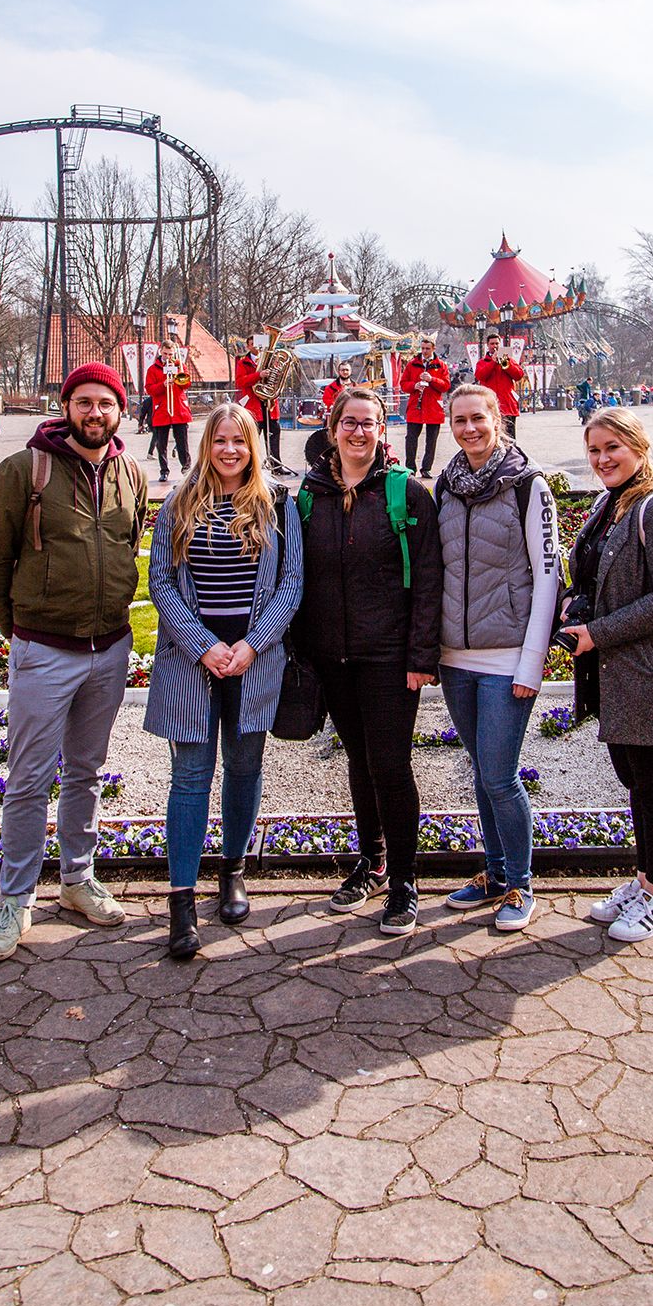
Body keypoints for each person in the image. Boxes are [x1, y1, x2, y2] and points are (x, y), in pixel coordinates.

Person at [0, 363, 149, 962]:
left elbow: (128, 547)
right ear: (66, 406)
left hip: (110, 647)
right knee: (27, 779)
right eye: (83, 402)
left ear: (119, 410)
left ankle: (76, 878)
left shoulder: (130, 472)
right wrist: (23, 629)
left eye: (105, 402)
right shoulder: (25, 470)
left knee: (86, 771)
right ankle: (14, 899)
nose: (94, 412)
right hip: (44, 649)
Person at [145, 403, 303, 958]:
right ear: (206, 445)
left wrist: (251, 645)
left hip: (252, 661)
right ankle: (182, 900)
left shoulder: (277, 504)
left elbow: (292, 583)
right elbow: (160, 580)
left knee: (242, 767)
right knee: (190, 777)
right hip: (193, 663)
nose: (230, 450)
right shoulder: (179, 505)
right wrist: (203, 645)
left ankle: (233, 869)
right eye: (219, 441)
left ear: (252, 445)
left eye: (239, 440)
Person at [294, 386, 442, 937]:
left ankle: (404, 878)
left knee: (390, 765)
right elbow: (294, 579)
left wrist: (421, 655)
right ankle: (373, 862)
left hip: (389, 655)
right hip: (331, 655)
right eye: (349, 422)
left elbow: (430, 580)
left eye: (370, 423)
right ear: (332, 430)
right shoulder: (309, 495)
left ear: (383, 430)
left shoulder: (406, 494)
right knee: (358, 760)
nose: (359, 432)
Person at [561, 407, 653, 943]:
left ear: (639, 449)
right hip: (623, 671)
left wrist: (598, 633)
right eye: (595, 451)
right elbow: (598, 576)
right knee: (636, 781)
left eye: (613, 449)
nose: (603, 460)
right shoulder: (610, 505)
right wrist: (574, 606)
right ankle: (644, 881)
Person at [436, 385, 561, 932]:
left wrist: (533, 658)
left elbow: (549, 573)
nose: (469, 429)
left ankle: (520, 885)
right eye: (459, 420)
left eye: (478, 419)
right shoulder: (446, 483)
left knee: (500, 775)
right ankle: (493, 871)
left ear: (498, 418)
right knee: (480, 772)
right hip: (454, 655)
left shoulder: (529, 485)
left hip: (508, 654)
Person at [235, 337, 293, 475]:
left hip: (269, 404)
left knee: (274, 434)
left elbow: (278, 378)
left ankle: (276, 466)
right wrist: (258, 375)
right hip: (253, 405)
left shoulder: (272, 360)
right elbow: (241, 381)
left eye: (259, 344)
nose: (257, 347)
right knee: (252, 438)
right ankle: (249, 467)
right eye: (252, 344)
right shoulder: (244, 362)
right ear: (248, 347)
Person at [400, 336, 451, 479]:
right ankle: (410, 467)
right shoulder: (412, 364)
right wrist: (414, 386)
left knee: (431, 440)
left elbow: (446, 386)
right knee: (410, 438)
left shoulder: (441, 365)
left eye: (428, 349)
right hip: (416, 407)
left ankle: (426, 468)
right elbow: (403, 384)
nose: (425, 351)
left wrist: (432, 379)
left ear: (433, 349)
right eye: (422, 348)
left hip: (433, 407)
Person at [144, 339, 192, 481]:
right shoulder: (153, 369)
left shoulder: (181, 366)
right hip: (162, 409)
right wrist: (163, 384)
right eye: (165, 354)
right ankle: (164, 470)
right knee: (161, 444)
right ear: (161, 352)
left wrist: (177, 375)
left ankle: (186, 468)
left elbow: (187, 384)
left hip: (178, 409)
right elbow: (149, 389)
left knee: (182, 441)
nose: (168, 357)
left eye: (171, 354)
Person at [304, 359, 354, 468]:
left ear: (350, 371)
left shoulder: (356, 386)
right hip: (336, 417)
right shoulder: (331, 387)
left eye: (347, 370)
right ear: (338, 371)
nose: (345, 372)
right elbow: (327, 400)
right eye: (343, 370)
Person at [475, 332, 525, 441]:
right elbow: (481, 376)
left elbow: (518, 375)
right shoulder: (482, 362)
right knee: (491, 436)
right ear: (487, 345)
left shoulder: (509, 360)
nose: (495, 346)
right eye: (492, 344)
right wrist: (492, 363)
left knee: (510, 438)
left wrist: (506, 364)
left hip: (507, 406)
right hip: (490, 405)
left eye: (497, 343)